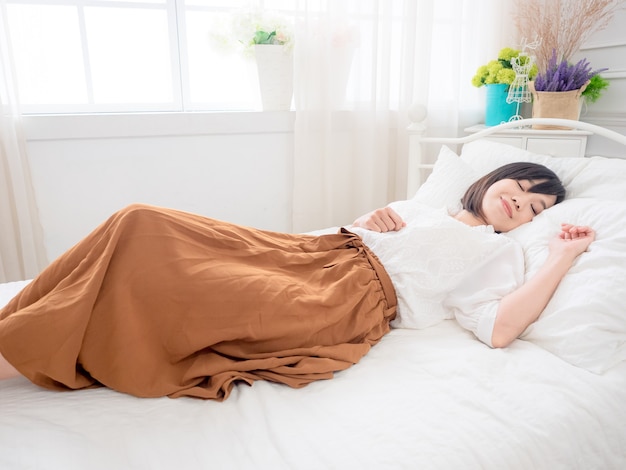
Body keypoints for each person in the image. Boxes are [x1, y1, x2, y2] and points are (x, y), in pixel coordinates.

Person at [0, 162, 594, 400]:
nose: (522, 205)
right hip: (311, 251)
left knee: (170, 282)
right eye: (519, 188)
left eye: (537, 208)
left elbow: (498, 329)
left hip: (343, 296)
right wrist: (368, 220)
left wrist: (558, 260)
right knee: (140, 222)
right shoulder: (423, 208)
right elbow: (369, 235)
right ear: (494, 180)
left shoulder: (496, 254)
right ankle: (15, 324)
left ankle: (13, 351)